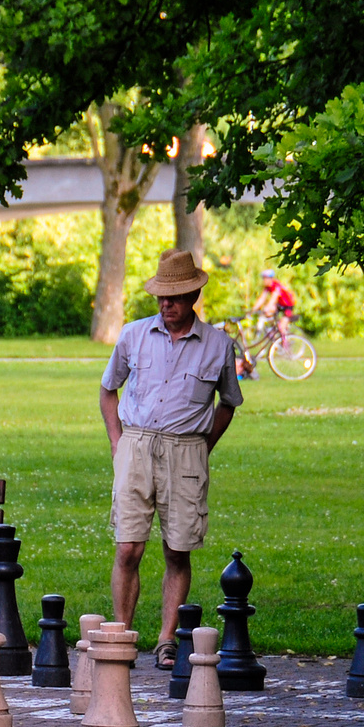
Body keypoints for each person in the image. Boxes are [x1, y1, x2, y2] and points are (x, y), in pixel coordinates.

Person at [101, 249, 243, 669]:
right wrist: (116, 443)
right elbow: (109, 390)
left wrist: (202, 446)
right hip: (137, 446)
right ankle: (122, 635)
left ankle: (166, 639)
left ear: (194, 295)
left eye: (176, 297)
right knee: (128, 547)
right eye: (162, 297)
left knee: (177, 550)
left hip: (186, 451)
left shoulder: (219, 346)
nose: (167, 305)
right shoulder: (133, 335)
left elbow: (228, 404)